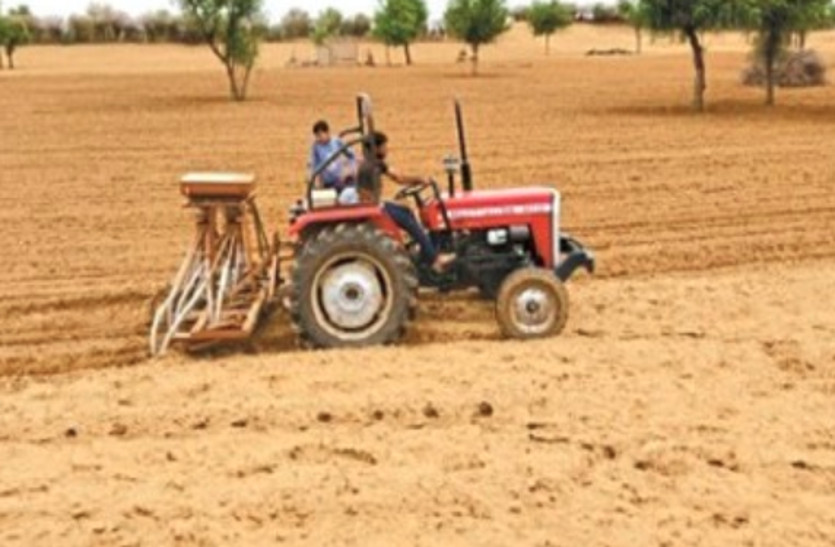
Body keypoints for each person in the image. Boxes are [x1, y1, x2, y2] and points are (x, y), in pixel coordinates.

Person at [357, 131, 456, 273]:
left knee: (406, 211)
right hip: (373, 208)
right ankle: (434, 259)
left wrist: (417, 181)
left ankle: (426, 252)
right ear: (376, 148)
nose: (387, 149)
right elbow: (396, 179)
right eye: (384, 146)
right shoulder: (370, 166)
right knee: (408, 221)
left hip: (376, 205)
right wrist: (421, 179)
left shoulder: (372, 164)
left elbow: (398, 178)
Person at [309, 120, 356, 194]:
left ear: (327, 132)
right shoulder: (316, 147)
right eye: (317, 136)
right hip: (328, 182)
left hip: (340, 179)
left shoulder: (337, 141)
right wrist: (314, 181)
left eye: (320, 135)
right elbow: (314, 166)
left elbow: (351, 155)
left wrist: (351, 169)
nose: (319, 138)